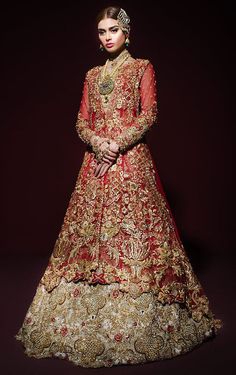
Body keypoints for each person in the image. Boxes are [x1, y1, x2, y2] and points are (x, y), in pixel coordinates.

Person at [15, 5, 223, 368]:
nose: (107, 36)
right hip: (97, 163)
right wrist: (98, 143)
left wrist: (117, 144)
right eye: (101, 31)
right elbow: (81, 121)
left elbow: (149, 114)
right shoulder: (92, 76)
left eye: (113, 29)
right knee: (85, 236)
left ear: (127, 32)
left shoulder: (142, 67)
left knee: (135, 238)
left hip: (130, 161)